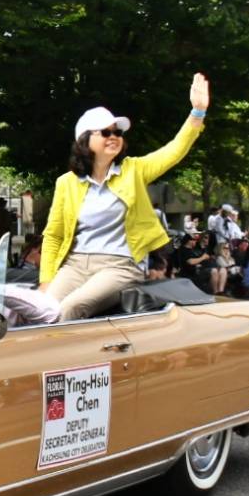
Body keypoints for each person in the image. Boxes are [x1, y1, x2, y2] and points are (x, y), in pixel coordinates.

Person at [39, 73, 210, 320]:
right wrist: (46, 281)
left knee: (71, 308)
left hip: (120, 266)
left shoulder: (134, 170)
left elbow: (173, 151)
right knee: (41, 309)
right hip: (75, 264)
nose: (114, 137)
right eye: (105, 132)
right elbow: (53, 236)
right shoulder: (66, 183)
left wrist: (197, 113)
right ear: (85, 141)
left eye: (117, 133)